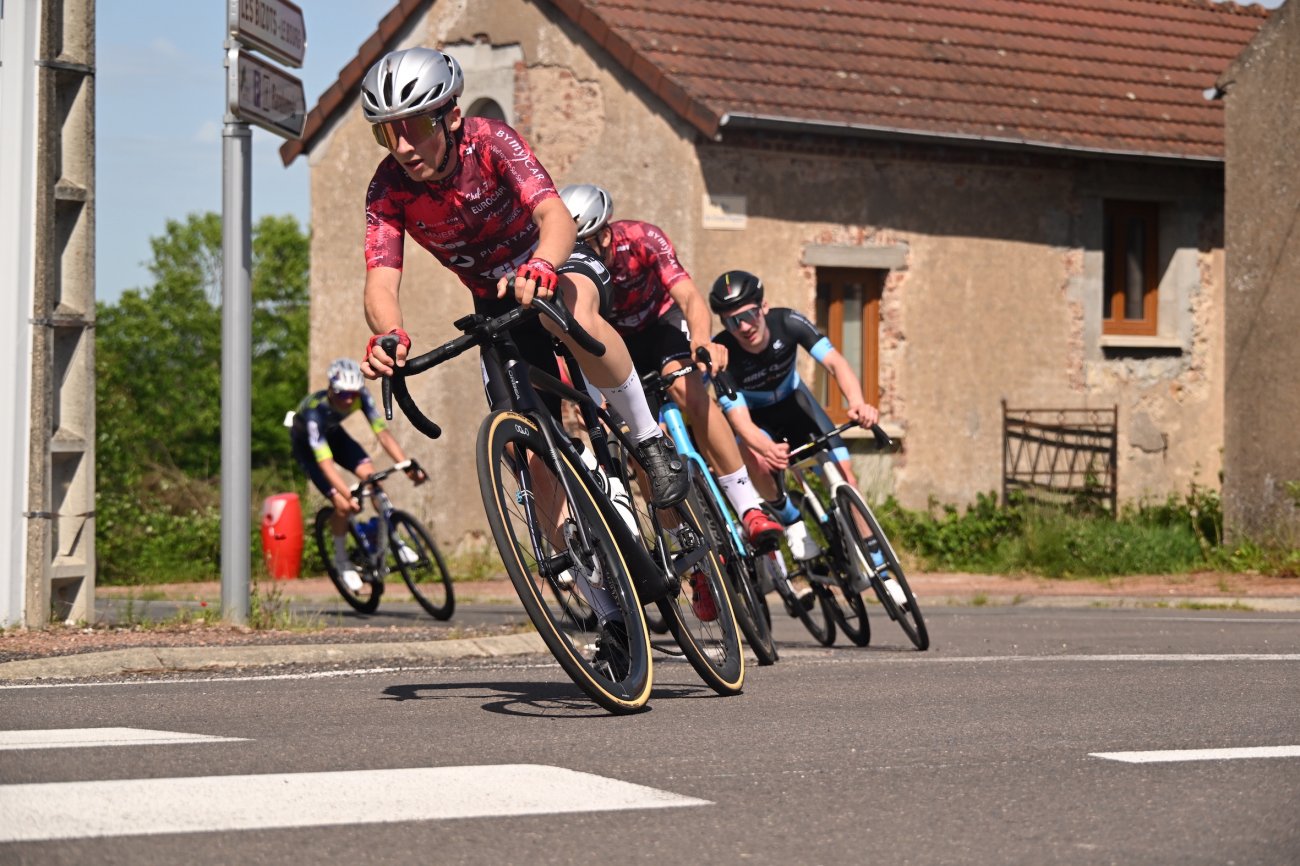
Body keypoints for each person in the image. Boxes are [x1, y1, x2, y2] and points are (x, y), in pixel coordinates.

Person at [357, 48, 686, 512]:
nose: (403, 147)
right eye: (387, 133)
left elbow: (555, 215)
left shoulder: (489, 141)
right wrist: (389, 333)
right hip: (495, 301)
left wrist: (544, 264)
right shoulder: (388, 189)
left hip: (555, 264)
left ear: (452, 117)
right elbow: (380, 281)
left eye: (417, 128)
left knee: (567, 314)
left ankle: (651, 441)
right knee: (520, 444)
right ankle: (574, 555)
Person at [557, 184, 784, 555]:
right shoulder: (572, 270)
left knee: (687, 390)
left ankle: (749, 508)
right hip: (619, 342)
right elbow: (573, 338)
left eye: (587, 244)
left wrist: (701, 340)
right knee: (634, 439)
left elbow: (688, 296)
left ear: (605, 234)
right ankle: (685, 547)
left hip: (661, 324)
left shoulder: (642, 239)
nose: (580, 254)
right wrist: (587, 397)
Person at [708, 270, 887, 591]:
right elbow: (740, 422)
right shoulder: (724, 352)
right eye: (732, 322)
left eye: (748, 315)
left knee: (847, 478)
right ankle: (791, 519)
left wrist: (858, 403)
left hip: (796, 404)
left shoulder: (788, 322)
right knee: (756, 458)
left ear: (763, 307)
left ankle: (880, 567)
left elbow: (835, 363)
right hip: (756, 419)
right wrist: (766, 449)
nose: (744, 327)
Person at [290, 358, 427, 591]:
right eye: (343, 394)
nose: (348, 400)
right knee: (343, 505)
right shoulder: (315, 413)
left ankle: (396, 542)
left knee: (372, 479)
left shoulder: (360, 396)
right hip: (310, 449)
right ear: (331, 389)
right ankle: (341, 560)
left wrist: (405, 465)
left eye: (352, 395)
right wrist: (346, 494)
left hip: (336, 436)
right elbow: (325, 464)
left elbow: (382, 434)